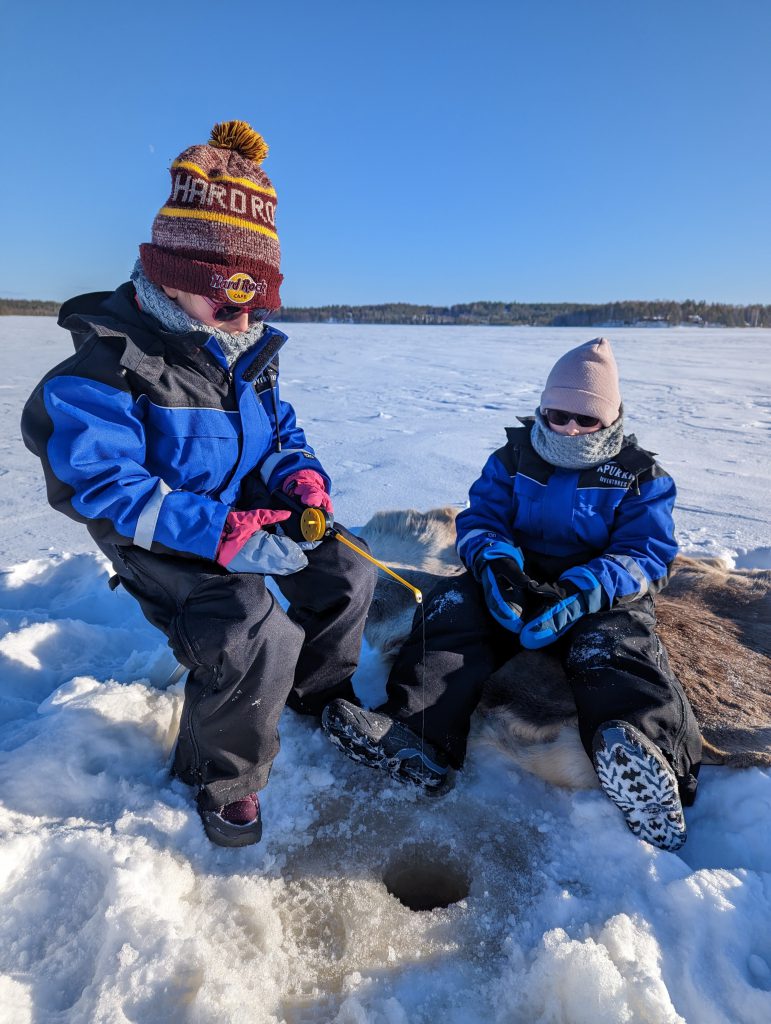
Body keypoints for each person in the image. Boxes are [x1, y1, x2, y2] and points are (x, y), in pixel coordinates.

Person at [22, 121, 375, 848]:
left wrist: (299, 479)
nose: (245, 317)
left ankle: (318, 695)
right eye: (228, 297)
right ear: (174, 273)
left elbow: (276, 433)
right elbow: (105, 485)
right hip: (155, 533)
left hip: (232, 511)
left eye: (258, 299)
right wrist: (218, 535)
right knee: (251, 631)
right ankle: (218, 777)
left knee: (346, 566)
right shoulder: (106, 366)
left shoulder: (240, 352)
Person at [323, 338, 702, 852]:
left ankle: (649, 765)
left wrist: (585, 591)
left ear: (610, 419)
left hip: (598, 592)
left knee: (618, 653)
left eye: (585, 419)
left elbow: (648, 552)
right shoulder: (512, 458)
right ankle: (418, 737)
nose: (568, 427)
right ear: (543, 408)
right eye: (558, 413)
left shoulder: (640, 477)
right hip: (518, 579)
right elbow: (481, 519)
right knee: (450, 613)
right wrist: (497, 566)